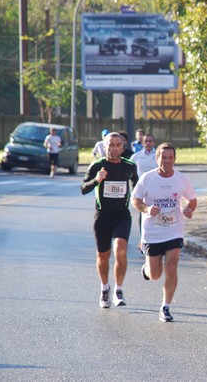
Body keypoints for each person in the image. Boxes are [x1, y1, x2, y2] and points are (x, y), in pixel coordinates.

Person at [132, 143, 197, 322]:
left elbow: (192, 200)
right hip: (152, 232)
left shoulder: (181, 179)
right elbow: (135, 200)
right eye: (163, 158)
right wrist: (146, 208)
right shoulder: (147, 178)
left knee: (172, 266)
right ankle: (146, 269)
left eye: (170, 158)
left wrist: (190, 209)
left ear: (174, 159)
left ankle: (165, 306)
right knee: (155, 274)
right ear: (156, 159)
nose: (167, 161)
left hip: (174, 230)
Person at [80, 132, 139, 309]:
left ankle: (118, 290)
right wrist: (97, 179)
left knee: (120, 249)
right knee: (103, 256)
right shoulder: (97, 165)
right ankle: (105, 288)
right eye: (110, 144)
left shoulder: (130, 166)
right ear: (104, 146)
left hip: (122, 215)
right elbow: (83, 188)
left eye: (117, 145)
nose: (114, 148)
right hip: (102, 216)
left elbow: (137, 188)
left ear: (122, 147)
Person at [130, 134, 158, 254]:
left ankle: (158, 239)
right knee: (143, 213)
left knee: (158, 212)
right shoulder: (136, 157)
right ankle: (143, 240)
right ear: (142, 143)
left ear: (154, 143)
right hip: (143, 189)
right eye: (146, 141)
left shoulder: (158, 155)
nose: (148, 143)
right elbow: (129, 170)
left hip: (157, 188)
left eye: (150, 141)